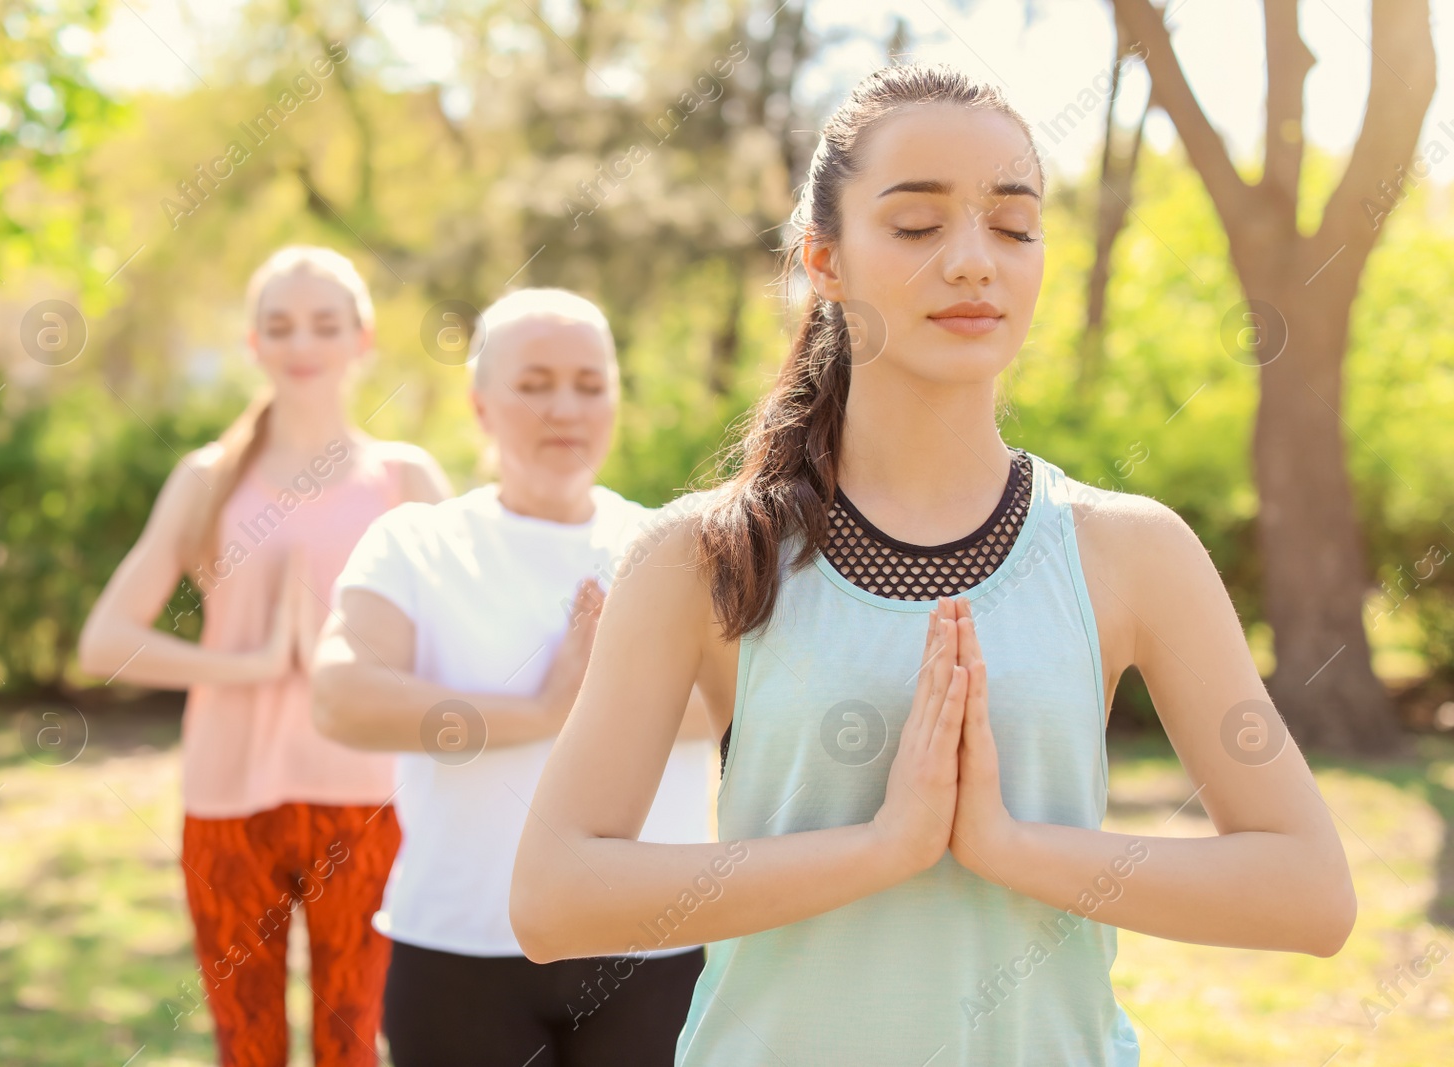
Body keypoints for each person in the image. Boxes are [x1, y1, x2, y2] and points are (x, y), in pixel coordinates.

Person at [508, 64, 1357, 1067]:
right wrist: (877, 849)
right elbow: (553, 898)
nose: (971, 262)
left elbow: (1310, 892)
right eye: (916, 226)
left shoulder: (1134, 551)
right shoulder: (698, 556)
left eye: (1012, 224)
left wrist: (1013, 847)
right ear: (824, 260)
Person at [310, 287, 716, 1067]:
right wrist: (535, 710)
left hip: (651, 947)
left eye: (590, 385)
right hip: (459, 949)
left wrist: (589, 704)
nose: (565, 407)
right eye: (534, 384)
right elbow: (342, 695)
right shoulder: (417, 542)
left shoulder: (677, 547)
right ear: (481, 404)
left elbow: (737, 703)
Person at [78, 245, 451, 1067]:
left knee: (348, 1042)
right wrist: (247, 665)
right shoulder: (206, 478)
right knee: (245, 1046)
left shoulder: (404, 479)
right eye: (279, 325)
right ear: (253, 343)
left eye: (324, 323)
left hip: (367, 805)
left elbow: (467, 632)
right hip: (227, 804)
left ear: (364, 338)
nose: (302, 343)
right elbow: (105, 640)